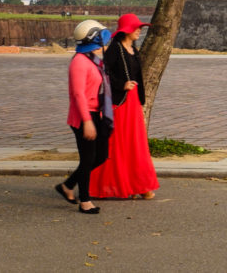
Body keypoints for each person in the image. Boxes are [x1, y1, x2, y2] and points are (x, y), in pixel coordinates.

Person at [90, 13, 159, 200]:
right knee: (118, 144)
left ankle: (139, 185)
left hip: (133, 101)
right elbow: (103, 74)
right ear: (126, 30)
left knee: (136, 144)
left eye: (140, 28)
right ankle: (112, 186)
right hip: (120, 102)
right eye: (136, 28)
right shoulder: (115, 49)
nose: (139, 31)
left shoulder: (133, 49)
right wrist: (122, 85)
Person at [55, 20, 113, 215]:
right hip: (83, 116)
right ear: (93, 37)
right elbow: (78, 94)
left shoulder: (92, 58)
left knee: (101, 155)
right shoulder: (80, 62)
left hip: (97, 113)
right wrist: (87, 122)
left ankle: (68, 185)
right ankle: (85, 200)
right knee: (88, 158)